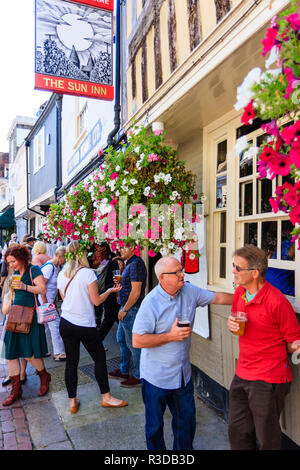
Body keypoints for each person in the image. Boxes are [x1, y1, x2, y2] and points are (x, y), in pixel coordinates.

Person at [132, 255, 233, 450]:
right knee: (154, 428)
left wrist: (247, 296)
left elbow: (218, 297)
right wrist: (169, 336)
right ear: (162, 278)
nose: (182, 274)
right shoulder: (150, 303)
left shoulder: (189, 291)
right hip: (156, 378)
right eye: (177, 272)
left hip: (182, 376)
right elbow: (137, 340)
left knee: (186, 425)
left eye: (181, 269)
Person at [227, 245, 300, 450]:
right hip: (242, 372)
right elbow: (237, 325)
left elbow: (294, 340)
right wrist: (232, 326)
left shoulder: (277, 301)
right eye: (234, 266)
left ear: (255, 273)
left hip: (268, 378)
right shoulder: (240, 293)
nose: (233, 271)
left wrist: (297, 348)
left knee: (267, 438)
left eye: (237, 268)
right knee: (238, 431)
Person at [57, 240, 128, 414]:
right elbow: (96, 301)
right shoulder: (88, 274)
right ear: (82, 255)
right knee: (99, 359)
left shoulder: (62, 274)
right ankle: (106, 397)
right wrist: (110, 291)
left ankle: (72, 401)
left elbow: (65, 298)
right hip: (84, 324)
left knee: (71, 363)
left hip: (66, 322)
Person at [2, 244, 51, 406]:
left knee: (30, 354)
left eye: (13, 261)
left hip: (29, 316)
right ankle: (16, 389)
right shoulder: (15, 274)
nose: (11, 265)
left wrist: (24, 287)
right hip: (15, 316)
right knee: (11, 352)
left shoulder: (34, 270)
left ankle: (44, 376)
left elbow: (42, 289)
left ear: (22, 258)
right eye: (9, 263)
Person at [109, 242, 147, 388]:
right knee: (122, 339)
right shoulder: (129, 263)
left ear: (133, 248)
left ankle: (138, 375)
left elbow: (136, 292)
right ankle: (124, 370)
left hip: (131, 309)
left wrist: (125, 309)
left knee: (134, 343)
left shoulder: (136, 264)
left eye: (124, 246)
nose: (120, 249)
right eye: (120, 246)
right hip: (125, 308)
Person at [39, 246, 66, 361]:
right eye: (65, 259)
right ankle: (58, 353)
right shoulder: (50, 267)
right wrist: (45, 302)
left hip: (48, 301)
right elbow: (42, 285)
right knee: (55, 326)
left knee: (46, 326)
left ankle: (42, 350)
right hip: (46, 301)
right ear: (59, 257)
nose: (65, 262)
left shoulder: (53, 266)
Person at [90, 243, 121, 341]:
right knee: (111, 318)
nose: (98, 253)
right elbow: (117, 277)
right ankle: (97, 341)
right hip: (109, 294)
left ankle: (97, 340)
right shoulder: (109, 262)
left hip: (108, 293)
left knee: (113, 318)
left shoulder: (107, 262)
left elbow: (115, 277)